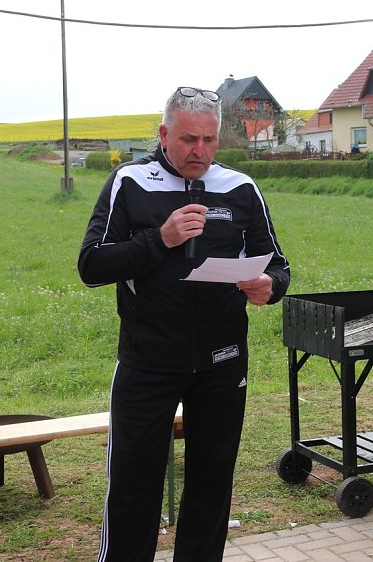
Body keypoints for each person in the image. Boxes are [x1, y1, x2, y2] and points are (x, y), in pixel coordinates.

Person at [78, 86, 290, 561]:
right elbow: (92, 265)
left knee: (212, 484)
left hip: (222, 361)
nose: (200, 151)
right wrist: (161, 239)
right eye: (189, 139)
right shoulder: (130, 182)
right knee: (134, 487)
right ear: (163, 134)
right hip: (148, 361)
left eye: (210, 140)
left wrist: (269, 286)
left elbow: (278, 263)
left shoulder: (240, 188)